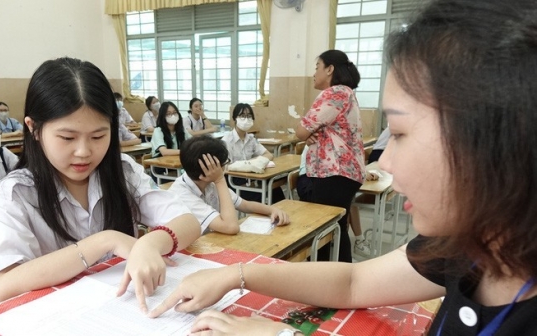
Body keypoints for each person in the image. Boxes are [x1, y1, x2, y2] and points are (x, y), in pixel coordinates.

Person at [150, 0, 537, 334]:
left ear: (496, 140)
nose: (385, 159)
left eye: (399, 132)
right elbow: (353, 281)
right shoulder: (466, 247)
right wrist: (236, 275)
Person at [0, 57, 201, 309]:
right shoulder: (15, 194)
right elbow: (0, 287)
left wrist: (150, 243)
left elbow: (188, 222)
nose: (84, 151)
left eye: (98, 136)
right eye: (67, 137)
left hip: (124, 309)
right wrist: (106, 241)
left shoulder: (123, 171)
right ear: (34, 128)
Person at [295, 50, 365, 263]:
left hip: (332, 174)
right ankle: (342, 282)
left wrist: (307, 133)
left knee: (325, 233)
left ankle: (327, 283)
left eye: (317, 67)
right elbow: (315, 132)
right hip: (343, 174)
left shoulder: (334, 93)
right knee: (337, 229)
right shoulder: (347, 93)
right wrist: (310, 135)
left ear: (330, 69)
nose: (314, 73)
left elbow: (301, 131)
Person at [170, 136, 289, 235]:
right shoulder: (182, 195)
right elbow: (231, 227)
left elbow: (245, 205)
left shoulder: (209, 182)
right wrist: (220, 180)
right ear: (210, 168)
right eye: (224, 163)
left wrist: (272, 209)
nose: (225, 167)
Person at [297, 145, 371, 257]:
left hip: (326, 179)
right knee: (331, 218)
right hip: (309, 181)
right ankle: (330, 257)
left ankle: (355, 242)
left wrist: (363, 172)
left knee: (344, 209)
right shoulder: (321, 139)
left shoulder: (338, 139)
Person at [222, 103, 285, 204]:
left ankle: (281, 215)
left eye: (249, 116)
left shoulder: (251, 139)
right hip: (234, 181)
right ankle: (266, 215)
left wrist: (253, 162)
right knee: (262, 197)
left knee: (275, 189)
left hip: (251, 178)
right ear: (235, 118)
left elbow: (269, 154)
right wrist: (248, 165)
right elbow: (225, 168)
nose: (246, 119)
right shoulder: (227, 141)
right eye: (242, 116)